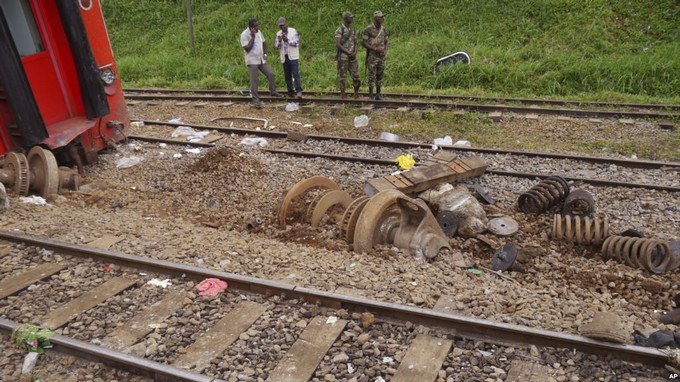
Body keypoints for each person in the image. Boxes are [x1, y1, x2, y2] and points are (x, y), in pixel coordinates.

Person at [240, 18, 284, 108]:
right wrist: (252, 37)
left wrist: (265, 53)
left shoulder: (259, 32)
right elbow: (247, 48)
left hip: (261, 59)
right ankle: (256, 101)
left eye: (258, 25)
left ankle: (273, 92)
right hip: (252, 61)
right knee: (254, 81)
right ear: (251, 27)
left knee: (270, 74)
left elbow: (264, 43)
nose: (258, 27)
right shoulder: (244, 35)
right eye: (256, 26)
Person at [362, 10, 388, 100]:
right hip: (372, 56)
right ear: (376, 18)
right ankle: (370, 95)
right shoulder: (368, 29)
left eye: (382, 17)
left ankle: (378, 94)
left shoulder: (383, 29)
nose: (382, 18)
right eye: (381, 17)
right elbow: (364, 43)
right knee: (371, 75)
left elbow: (386, 41)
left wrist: (385, 50)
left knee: (380, 75)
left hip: (381, 56)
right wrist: (375, 49)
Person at [274, 17, 303, 99]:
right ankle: (290, 92)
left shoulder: (293, 31)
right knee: (287, 76)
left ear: (286, 23)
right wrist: (279, 41)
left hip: (293, 56)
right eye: (280, 26)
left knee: (295, 74)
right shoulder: (278, 33)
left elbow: (296, 42)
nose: (282, 27)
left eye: (283, 25)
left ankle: (298, 91)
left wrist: (287, 40)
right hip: (284, 56)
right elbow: (276, 46)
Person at [335, 11, 361, 99]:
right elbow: (338, 44)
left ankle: (356, 93)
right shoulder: (340, 30)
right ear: (345, 18)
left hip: (352, 57)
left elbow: (356, 43)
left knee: (356, 75)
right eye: (350, 17)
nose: (352, 18)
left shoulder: (353, 30)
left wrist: (354, 52)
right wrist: (347, 52)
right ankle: (343, 93)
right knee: (342, 76)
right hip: (343, 57)